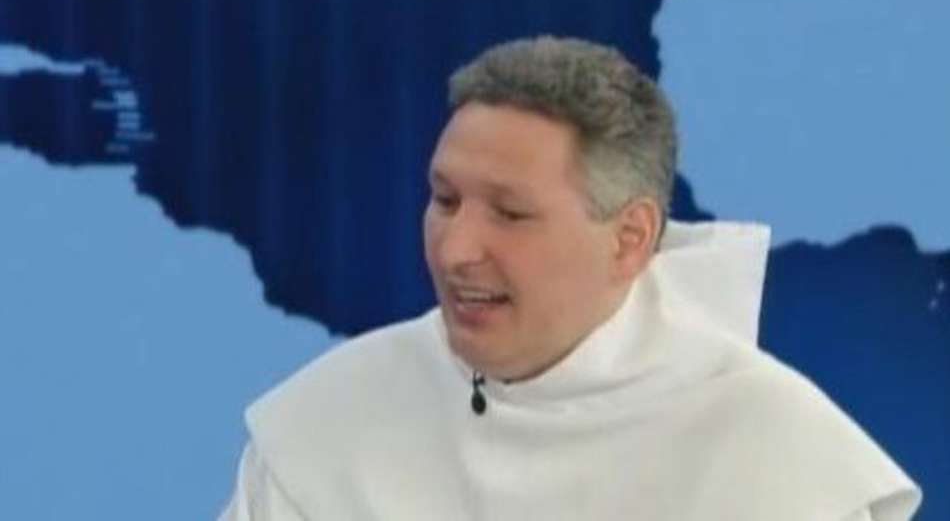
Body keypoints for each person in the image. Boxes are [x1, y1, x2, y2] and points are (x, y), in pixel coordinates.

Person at [218, 37, 921, 520]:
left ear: (630, 238)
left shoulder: (775, 455)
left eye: (510, 213)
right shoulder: (328, 423)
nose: (455, 250)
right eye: (445, 200)